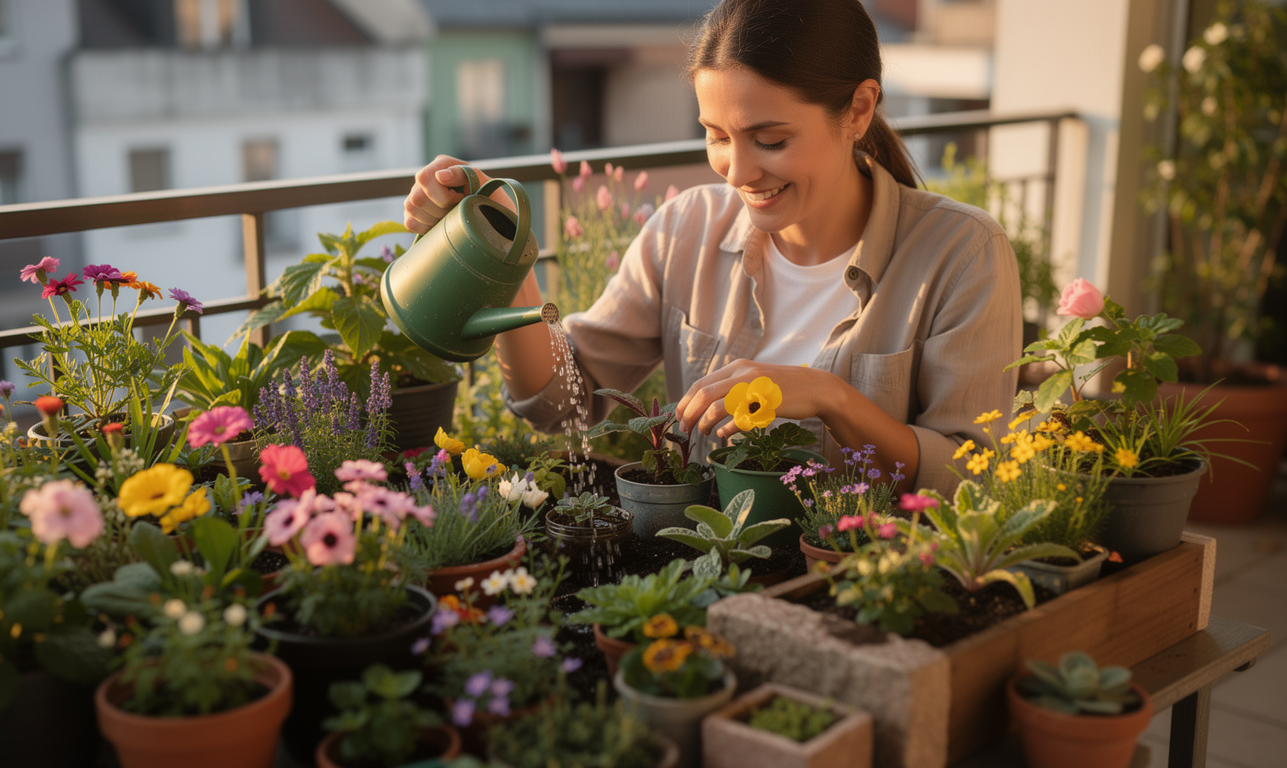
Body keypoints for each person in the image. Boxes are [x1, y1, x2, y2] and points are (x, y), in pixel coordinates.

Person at [403, 0, 1020, 496]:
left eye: (770, 140)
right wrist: (506, 254)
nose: (738, 172)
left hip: (863, 585)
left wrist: (832, 398)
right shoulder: (685, 230)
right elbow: (561, 401)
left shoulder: (961, 252)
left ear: (859, 109)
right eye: (717, 136)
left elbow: (972, 474)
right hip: (703, 567)